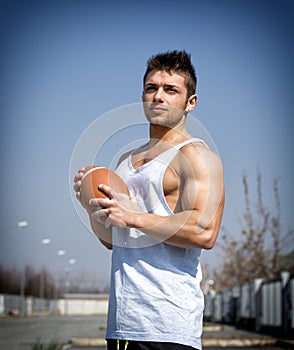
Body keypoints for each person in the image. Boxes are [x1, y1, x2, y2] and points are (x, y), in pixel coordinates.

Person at [74, 50, 225, 350]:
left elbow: (204, 232)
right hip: (122, 326)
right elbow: (113, 240)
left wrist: (133, 216)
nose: (159, 96)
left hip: (169, 327)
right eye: (151, 88)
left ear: (190, 103)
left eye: (171, 90)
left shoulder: (197, 157)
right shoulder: (124, 160)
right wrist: (93, 206)